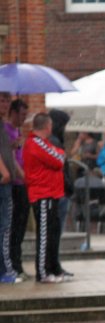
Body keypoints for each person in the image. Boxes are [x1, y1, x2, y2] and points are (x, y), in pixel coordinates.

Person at [24, 112, 68, 284]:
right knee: (44, 236)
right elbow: (59, 159)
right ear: (47, 126)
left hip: (50, 193)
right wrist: (60, 153)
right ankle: (42, 272)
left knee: (50, 234)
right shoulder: (36, 142)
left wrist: (59, 153)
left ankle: (51, 268)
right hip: (42, 194)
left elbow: (58, 155)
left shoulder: (43, 143)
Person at [8, 99, 29, 281]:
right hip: (15, 183)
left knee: (21, 226)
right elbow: (10, 157)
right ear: (13, 113)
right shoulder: (7, 130)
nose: (23, 118)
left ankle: (18, 262)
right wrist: (23, 176)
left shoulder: (19, 132)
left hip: (22, 183)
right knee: (14, 226)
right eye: (22, 114)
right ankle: (13, 264)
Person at [0, 92, 16, 284]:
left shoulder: (3, 126)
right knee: (4, 227)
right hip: (3, 183)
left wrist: (12, 147)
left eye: (7, 101)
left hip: (6, 182)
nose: (5, 104)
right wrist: (4, 171)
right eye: (2, 100)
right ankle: (5, 270)